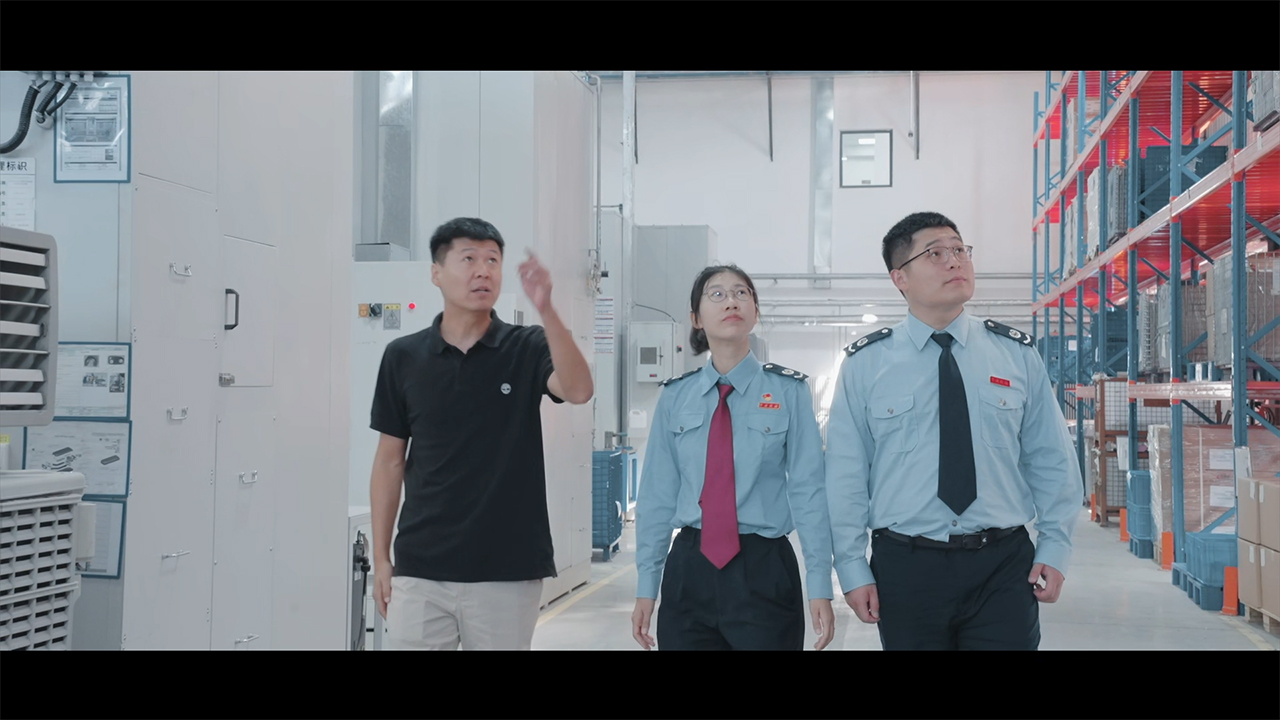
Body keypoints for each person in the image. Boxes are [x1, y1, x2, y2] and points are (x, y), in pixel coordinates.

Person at [825, 212, 1082, 651]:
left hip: (1003, 566)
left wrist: (1055, 547)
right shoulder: (866, 365)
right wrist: (851, 566)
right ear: (900, 277)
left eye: (960, 250)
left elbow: (1051, 458)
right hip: (907, 567)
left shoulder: (1015, 355)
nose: (954, 261)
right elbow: (845, 477)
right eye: (935, 253)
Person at [368, 217, 594, 650]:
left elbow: (579, 390)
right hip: (421, 568)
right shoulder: (403, 357)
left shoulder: (527, 346)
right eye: (468, 259)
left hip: (506, 570)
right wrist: (381, 558)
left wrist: (547, 310)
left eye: (492, 260)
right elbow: (389, 461)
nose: (483, 271)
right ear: (436, 273)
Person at [631, 264, 836, 651]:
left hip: (764, 568)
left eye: (742, 293)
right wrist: (647, 586)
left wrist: (820, 583)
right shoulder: (676, 397)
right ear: (696, 318)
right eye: (717, 294)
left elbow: (809, 491)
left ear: (755, 313)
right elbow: (657, 496)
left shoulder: (788, 392)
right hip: (689, 569)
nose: (732, 301)